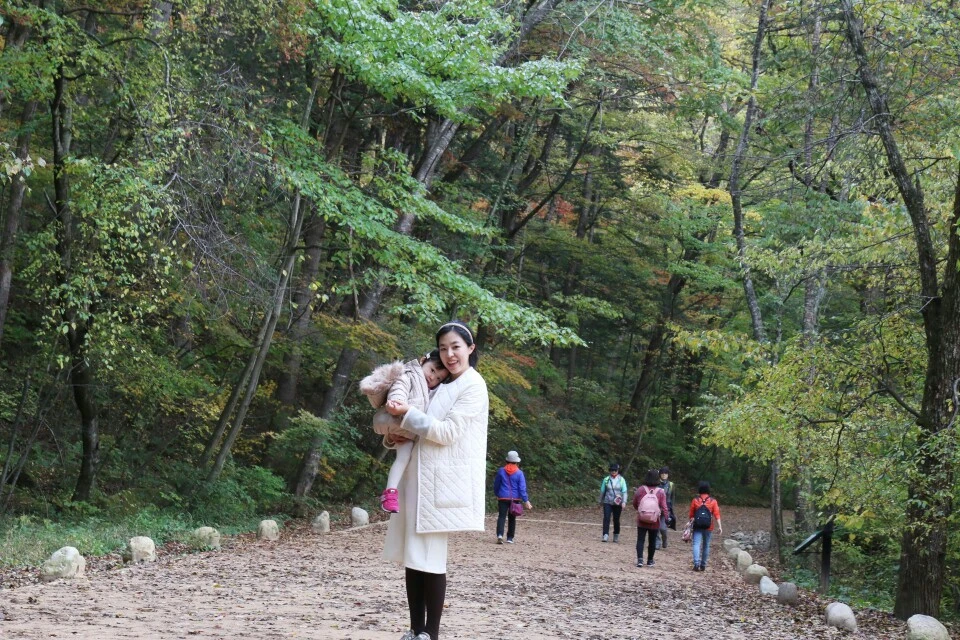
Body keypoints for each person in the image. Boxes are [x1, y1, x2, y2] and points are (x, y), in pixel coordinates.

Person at [382, 321, 488, 640]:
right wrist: (394, 435)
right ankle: (416, 630)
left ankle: (431, 633)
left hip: (439, 483)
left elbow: (447, 432)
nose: (449, 354)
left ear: (470, 348)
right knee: (413, 558)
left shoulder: (472, 385)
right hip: (416, 478)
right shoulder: (440, 382)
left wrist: (406, 415)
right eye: (443, 348)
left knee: (431, 559)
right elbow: (415, 426)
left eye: (456, 347)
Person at [359, 350, 449, 513]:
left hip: (411, 430)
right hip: (401, 422)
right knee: (403, 458)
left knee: (405, 459)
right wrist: (397, 402)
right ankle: (390, 492)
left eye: (438, 378)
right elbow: (399, 388)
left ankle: (393, 494)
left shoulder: (431, 390)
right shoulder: (408, 375)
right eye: (432, 370)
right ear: (423, 360)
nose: (432, 378)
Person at [493, 451, 533, 544]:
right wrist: (526, 500)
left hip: (502, 497)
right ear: (517, 462)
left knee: (501, 516)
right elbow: (522, 488)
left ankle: (500, 535)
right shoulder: (519, 473)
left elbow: (496, 484)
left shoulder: (501, 471)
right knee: (512, 518)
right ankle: (510, 538)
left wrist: (497, 494)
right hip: (515, 499)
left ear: (507, 460)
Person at [632, 469, 669, 567]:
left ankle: (640, 560)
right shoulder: (660, 491)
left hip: (642, 519)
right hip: (654, 520)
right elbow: (664, 507)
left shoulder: (641, 489)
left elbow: (634, 503)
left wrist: (640, 510)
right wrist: (666, 518)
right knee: (652, 541)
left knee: (640, 540)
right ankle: (650, 560)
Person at [687, 481, 722, 572]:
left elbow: (691, 514)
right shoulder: (713, 501)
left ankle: (696, 563)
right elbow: (717, 514)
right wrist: (720, 526)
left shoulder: (695, 500)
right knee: (706, 545)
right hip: (708, 526)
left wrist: (690, 523)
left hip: (697, 525)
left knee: (696, 544)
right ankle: (703, 565)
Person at [599, 463, 627, 543]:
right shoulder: (606, 479)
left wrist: (624, 502)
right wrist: (600, 501)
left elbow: (624, 491)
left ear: (618, 471)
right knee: (606, 518)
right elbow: (602, 491)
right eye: (612, 470)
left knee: (616, 519)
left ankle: (616, 534)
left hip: (618, 503)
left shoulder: (621, 480)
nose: (613, 472)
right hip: (607, 501)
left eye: (615, 470)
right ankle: (605, 534)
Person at [656, 466, 675, 550]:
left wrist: (671, 509)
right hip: (656, 507)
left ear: (668, 474)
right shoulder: (656, 483)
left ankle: (664, 540)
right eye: (662, 473)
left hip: (666, 509)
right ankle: (657, 543)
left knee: (663, 528)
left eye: (666, 473)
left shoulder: (671, 485)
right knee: (656, 526)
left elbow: (673, 497)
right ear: (660, 474)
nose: (664, 475)